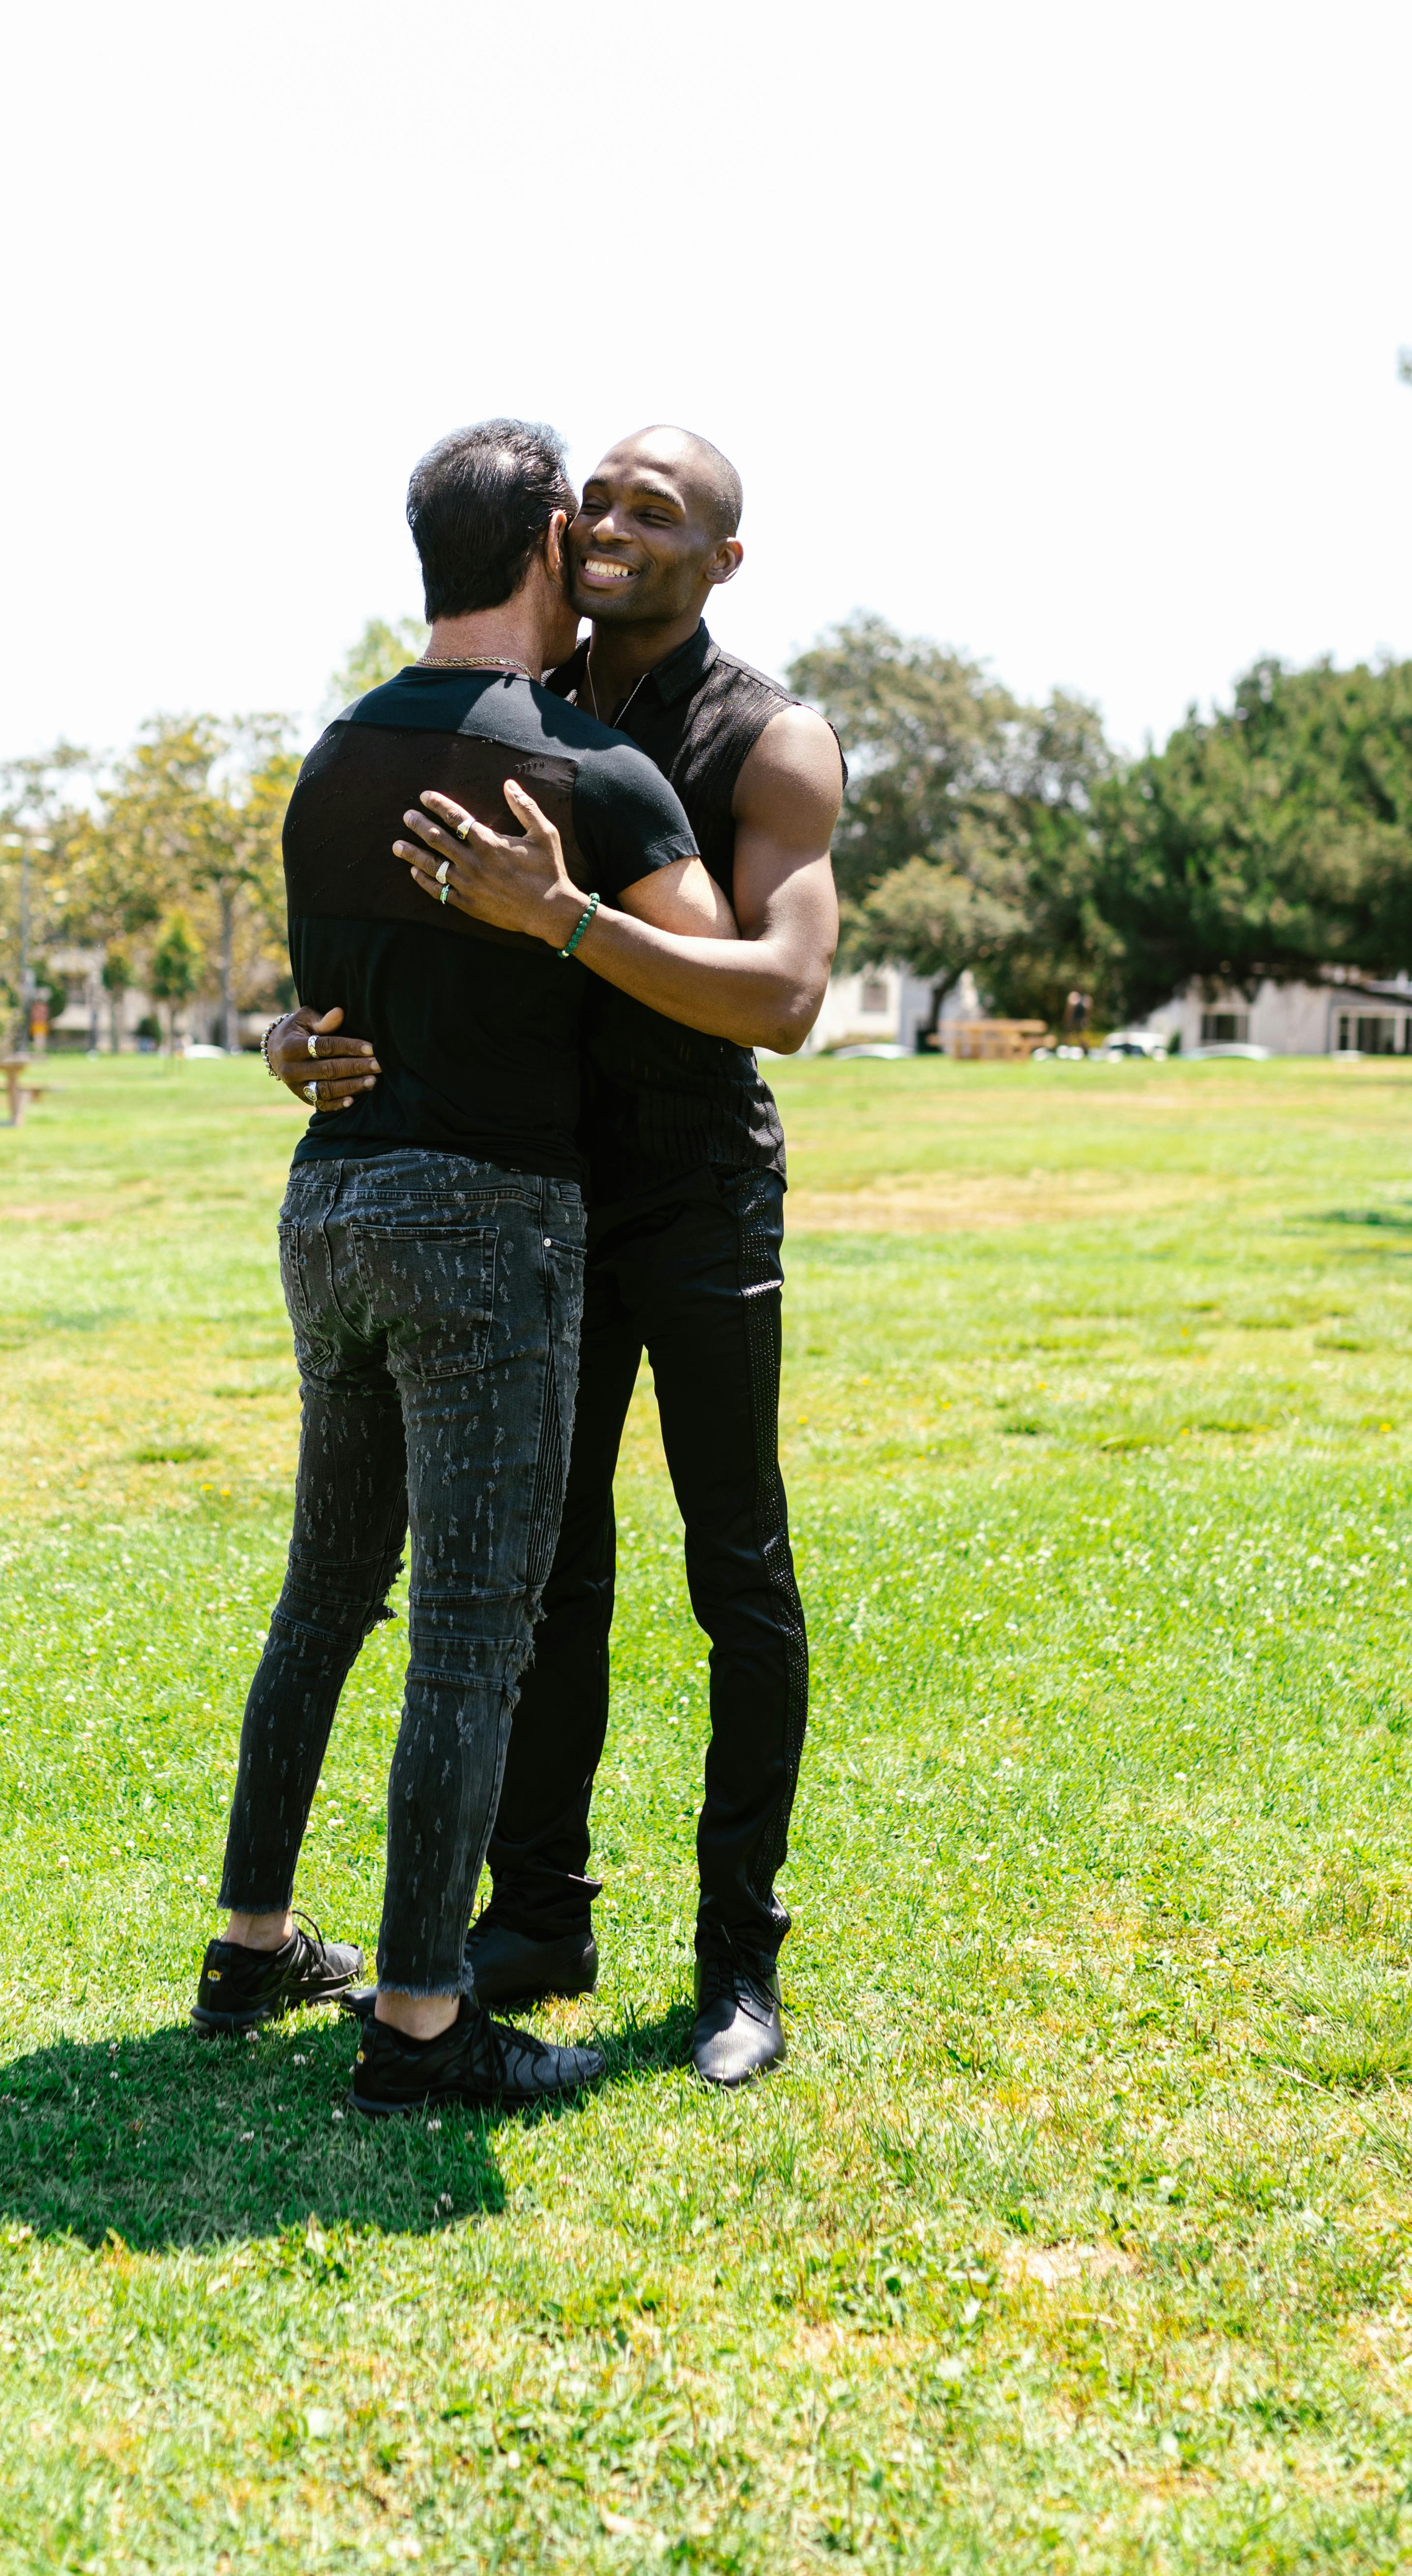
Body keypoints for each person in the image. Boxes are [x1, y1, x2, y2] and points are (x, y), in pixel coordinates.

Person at [274, 427, 842, 2086]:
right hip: (535, 1209)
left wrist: (570, 921)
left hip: (697, 1200)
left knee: (734, 1568)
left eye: (656, 510)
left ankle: (736, 1958)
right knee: (544, 1578)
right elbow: (382, 927)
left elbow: (783, 999)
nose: (611, 523)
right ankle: (537, 1918)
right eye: (596, 497)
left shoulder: (772, 738)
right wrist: (294, 1043)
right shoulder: (514, 707)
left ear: (720, 559)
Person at [197, 418, 728, 2118]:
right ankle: (423, 2023)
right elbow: (722, 983)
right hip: (487, 1230)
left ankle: (252, 1939)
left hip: (328, 1207)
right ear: (551, 537)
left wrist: (291, 1046)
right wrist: (571, 913)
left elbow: (335, 1007)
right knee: (469, 1631)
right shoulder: (589, 771)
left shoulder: (331, 754)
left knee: (325, 1588)